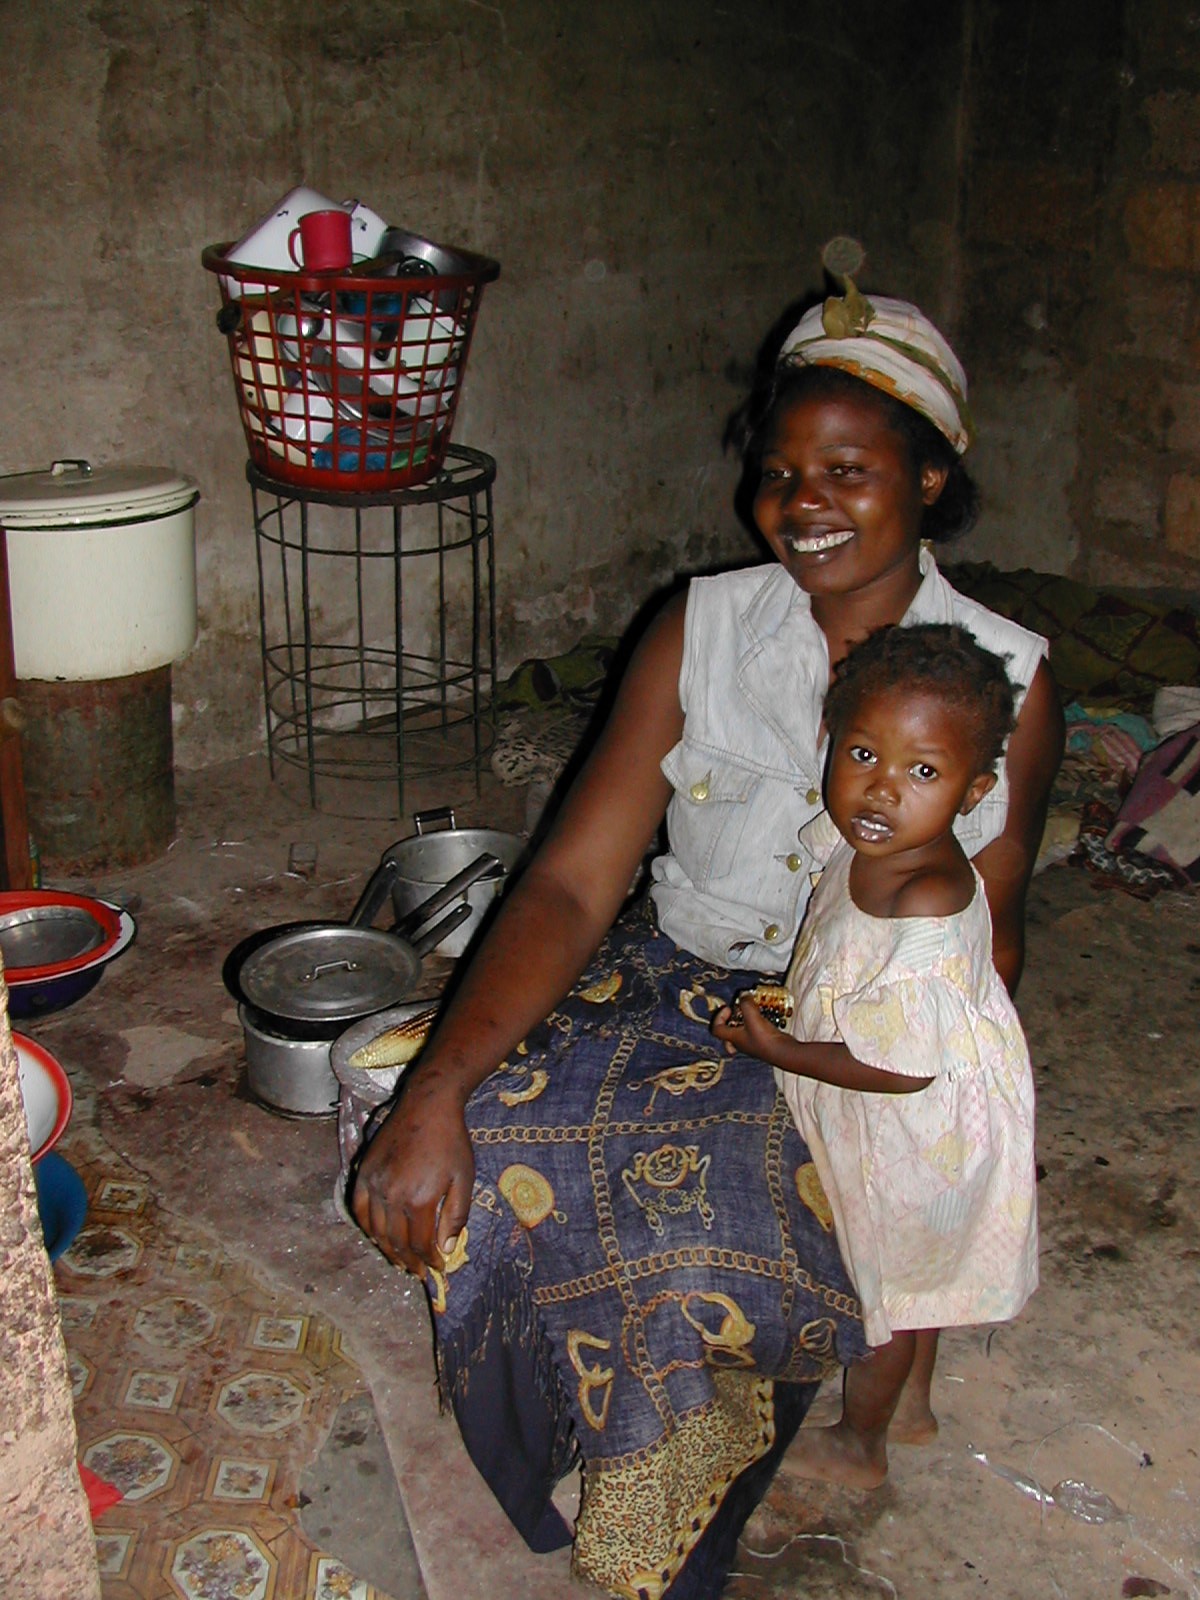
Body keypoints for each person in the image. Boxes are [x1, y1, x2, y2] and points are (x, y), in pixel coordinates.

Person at [351, 275, 1064, 1600]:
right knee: (457, 1140)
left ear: (931, 475)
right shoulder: (703, 627)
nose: (803, 505)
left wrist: (867, 1076)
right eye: (780, 470)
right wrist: (442, 1085)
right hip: (677, 972)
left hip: (867, 1023)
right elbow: (569, 886)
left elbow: (989, 954)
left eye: (849, 469)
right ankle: (596, 1425)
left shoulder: (998, 678)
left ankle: (721, 1449)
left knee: (692, 1230)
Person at [712, 622, 1039, 1493]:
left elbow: (903, 1067)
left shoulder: (926, 899)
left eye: (922, 772)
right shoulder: (868, 844)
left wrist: (782, 1048)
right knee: (918, 1281)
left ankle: (862, 1442)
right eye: (862, 753)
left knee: (884, 1298)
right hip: (889, 1086)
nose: (880, 790)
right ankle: (917, 1399)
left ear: (975, 792)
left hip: (913, 1127)